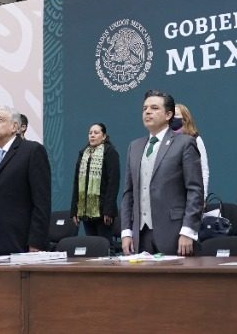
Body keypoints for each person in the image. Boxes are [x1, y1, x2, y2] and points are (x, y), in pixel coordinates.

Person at [120, 90, 203, 256]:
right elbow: (128, 193)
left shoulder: (185, 143)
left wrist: (188, 231)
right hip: (140, 236)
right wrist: (126, 232)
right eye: (144, 108)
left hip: (175, 234)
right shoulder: (134, 147)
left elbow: (195, 190)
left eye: (154, 108)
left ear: (168, 114)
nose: (148, 112)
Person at [0, 107, 52, 254]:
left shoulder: (32, 151)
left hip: (20, 243)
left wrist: (36, 242)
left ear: (15, 126)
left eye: (0, 120)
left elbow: (42, 202)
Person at [70, 122, 120, 240]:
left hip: (103, 211)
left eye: (96, 133)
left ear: (104, 136)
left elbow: (113, 182)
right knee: (92, 246)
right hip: (86, 210)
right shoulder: (83, 153)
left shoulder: (110, 152)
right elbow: (76, 183)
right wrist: (74, 210)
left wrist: (108, 210)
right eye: (90, 133)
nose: (92, 135)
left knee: (105, 246)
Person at [175, 104, 211, 199]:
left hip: (190, 195)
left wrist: (203, 196)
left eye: (176, 115)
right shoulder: (164, 140)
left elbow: (203, 170)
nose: (173, 118)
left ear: (185, 119)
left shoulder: (195, 139)